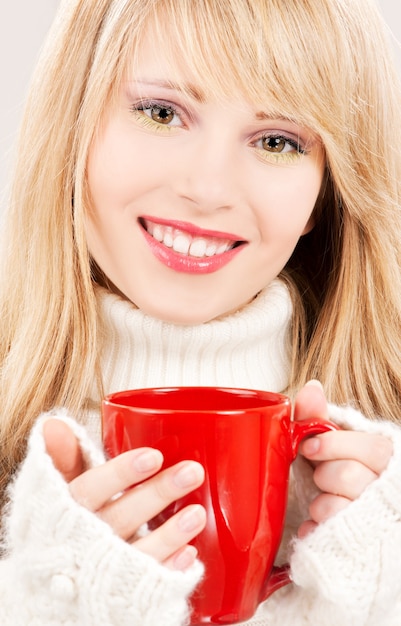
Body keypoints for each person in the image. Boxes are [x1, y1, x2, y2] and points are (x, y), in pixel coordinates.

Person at [0, 0, 401, 623]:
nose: (207, 189)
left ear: (325, 193)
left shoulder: (384, 496)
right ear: (74, 124)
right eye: (161, 112)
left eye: (277, 140)